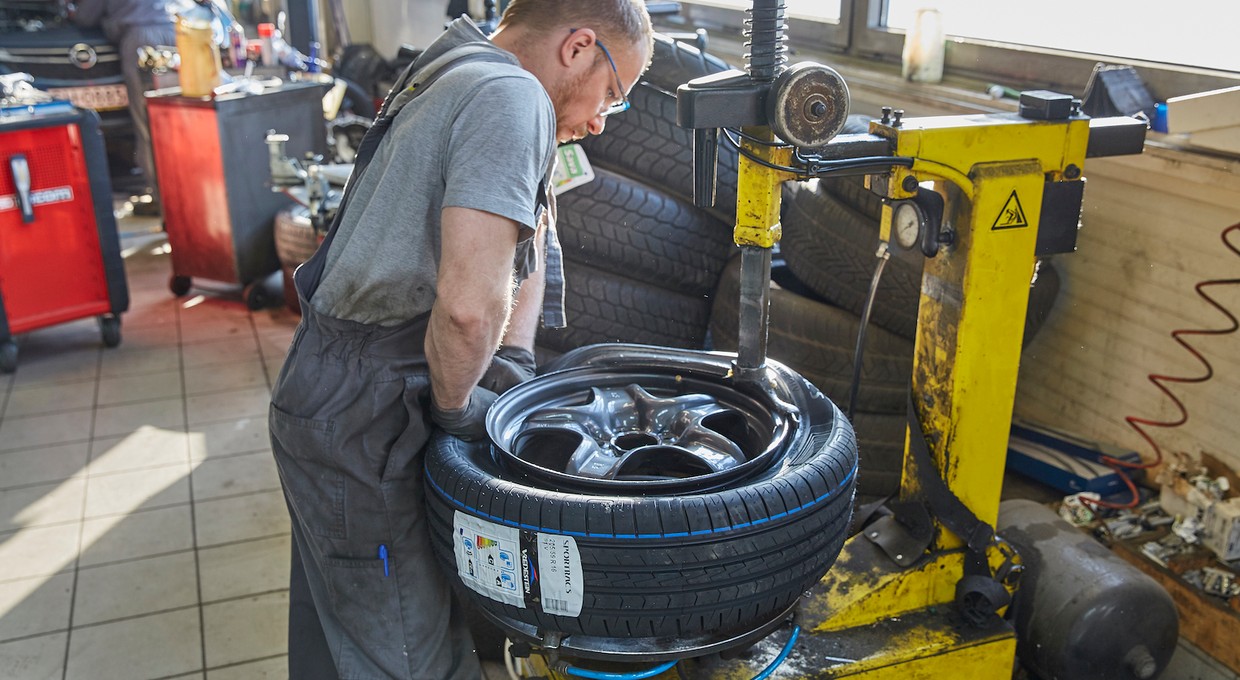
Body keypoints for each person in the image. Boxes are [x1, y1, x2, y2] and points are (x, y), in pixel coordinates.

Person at [267, 1, 653, 678]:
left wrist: (511, 363)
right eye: (613, 94)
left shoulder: (456, 62)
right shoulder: (512, 98)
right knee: (404, 646)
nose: (599, 120)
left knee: (347, 620)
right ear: (579, 46)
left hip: (341, 385)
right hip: (366, 408)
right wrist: (458, 408)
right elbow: (470, 310)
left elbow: (529, 240)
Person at [71, 0, 184, 208]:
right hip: (173, 34)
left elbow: (85, 17)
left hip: (142, 41)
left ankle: (164, 203)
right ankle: (185, 194)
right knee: (178, 117)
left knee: (147, 123)